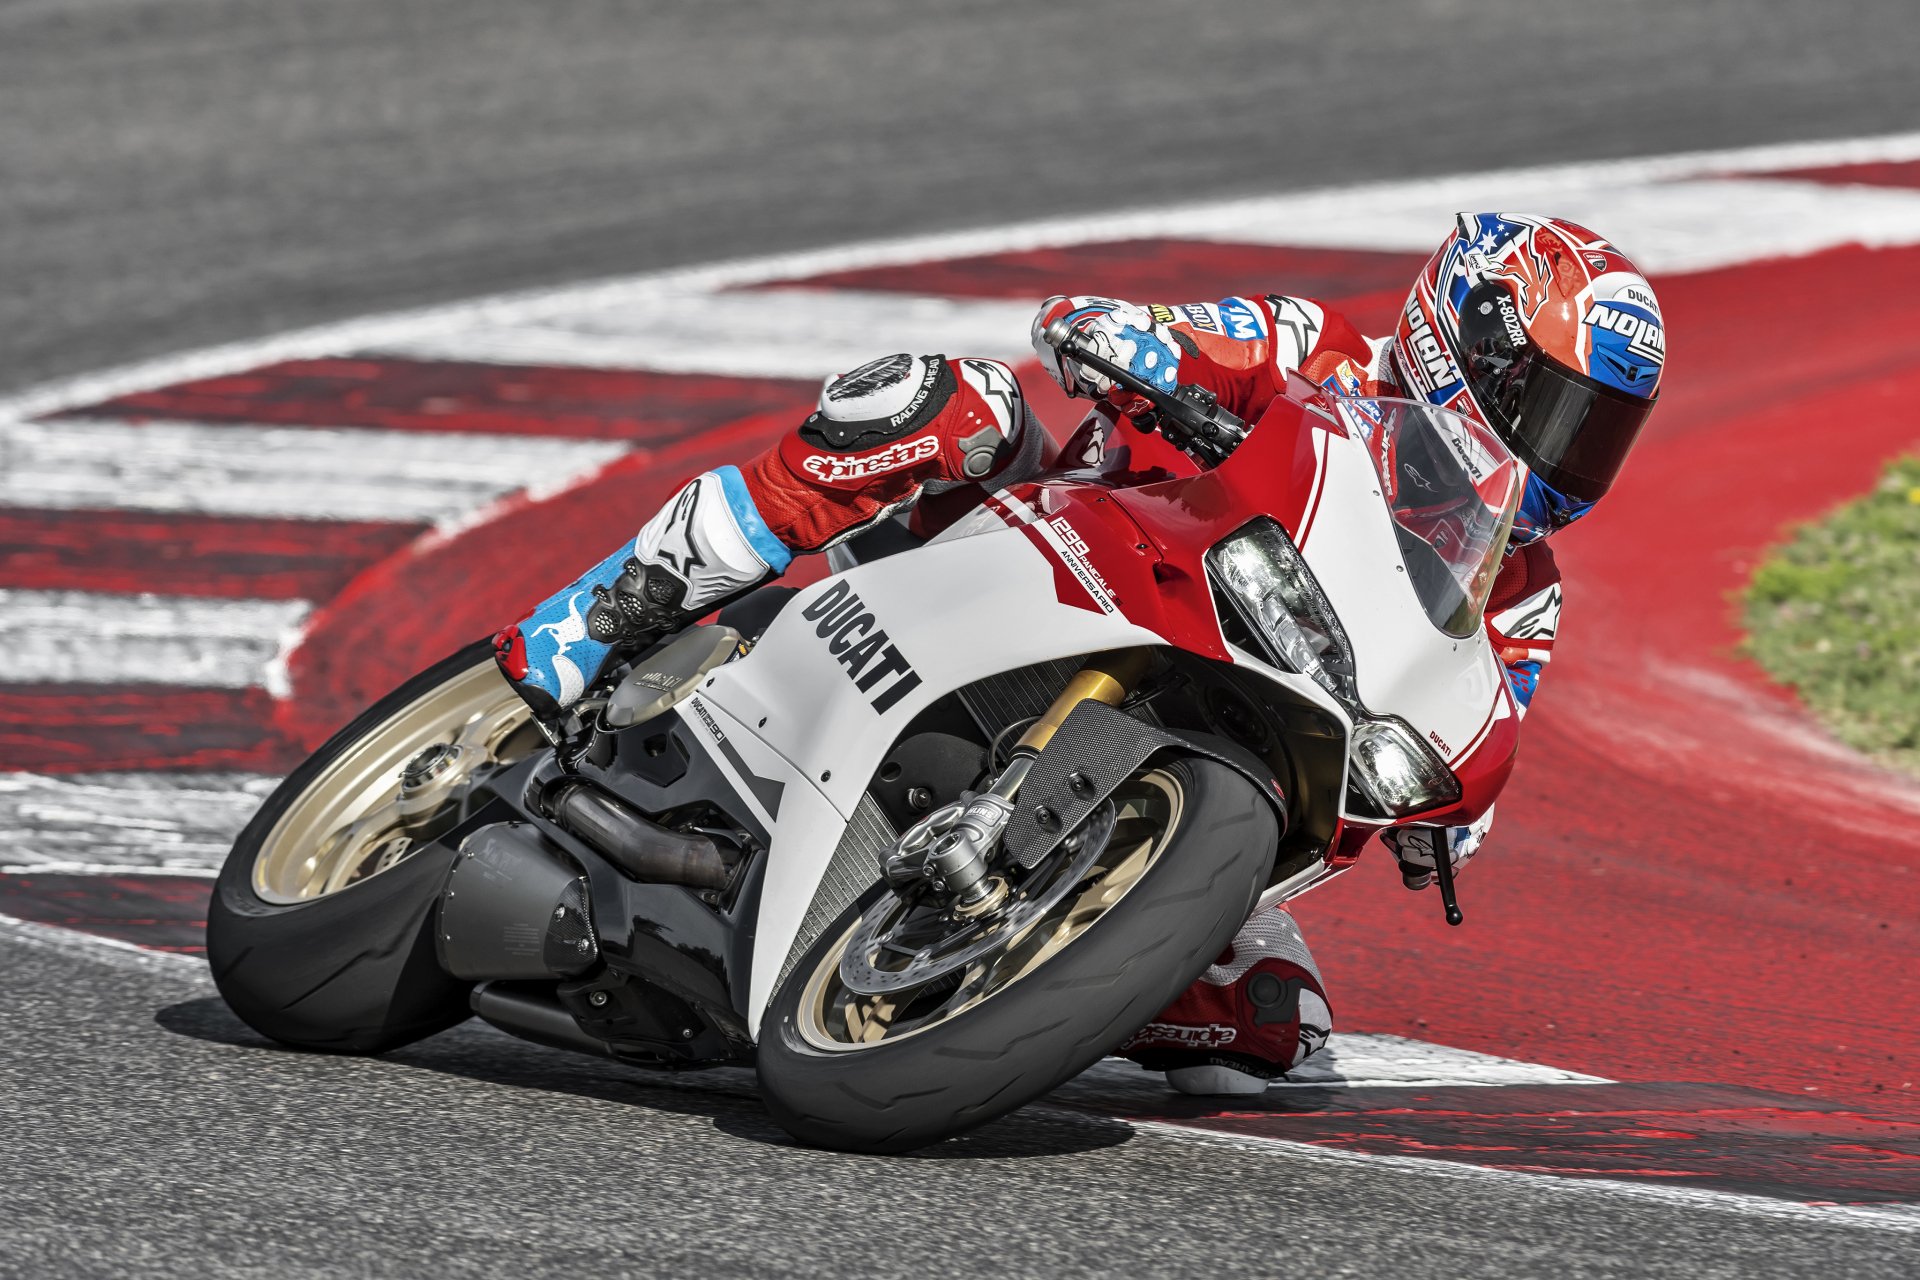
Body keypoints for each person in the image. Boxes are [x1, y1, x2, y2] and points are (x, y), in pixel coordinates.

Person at [492, 212, 1667, 1094]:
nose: (1565, 455)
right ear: (1463, 337)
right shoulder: (1314, 348)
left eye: (1596, 435)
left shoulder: (1521, 586)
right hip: (1044, 555)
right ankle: (600, 614)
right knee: (939, 401)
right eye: (1552, 406)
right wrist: (1129, 348)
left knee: (1274, 1030)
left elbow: (1480, 712)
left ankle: (978, 961)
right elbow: (1135, 332)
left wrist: (1448, 820)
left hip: (1225, 735)